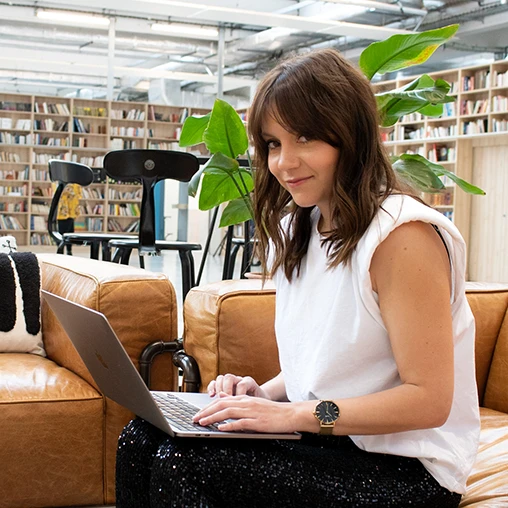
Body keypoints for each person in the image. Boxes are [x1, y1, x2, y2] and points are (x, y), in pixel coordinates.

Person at [115, 48, 479, 507]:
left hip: (406, 469)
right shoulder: (298, 225)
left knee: (184, 462)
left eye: (304, 138)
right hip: (329, 441)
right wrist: (256, 396)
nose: (285, 163)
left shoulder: (403, 237)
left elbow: (428, 400)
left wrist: (291, 416)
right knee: (141, 438)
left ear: (351, 136)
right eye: (272, 143)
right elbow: (330, 364)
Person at [56, 183, 81, 254]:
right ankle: (61, 249)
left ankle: (69, 250)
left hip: (71, 205)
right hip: (63, 205)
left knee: (70, 229)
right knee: (62, 230)